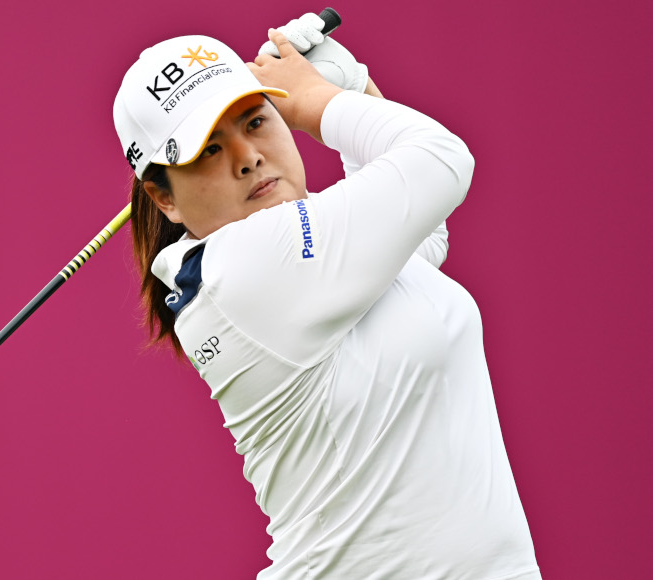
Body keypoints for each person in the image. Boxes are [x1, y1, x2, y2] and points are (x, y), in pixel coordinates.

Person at [111, 13, 540, 580]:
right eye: (208, 150)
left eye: (256, 120)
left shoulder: (293, 260)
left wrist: (354, 91)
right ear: (163, 198)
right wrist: (320, 99)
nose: (248, 156)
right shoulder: (246, 263)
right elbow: (442, 160)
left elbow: (420, 238)